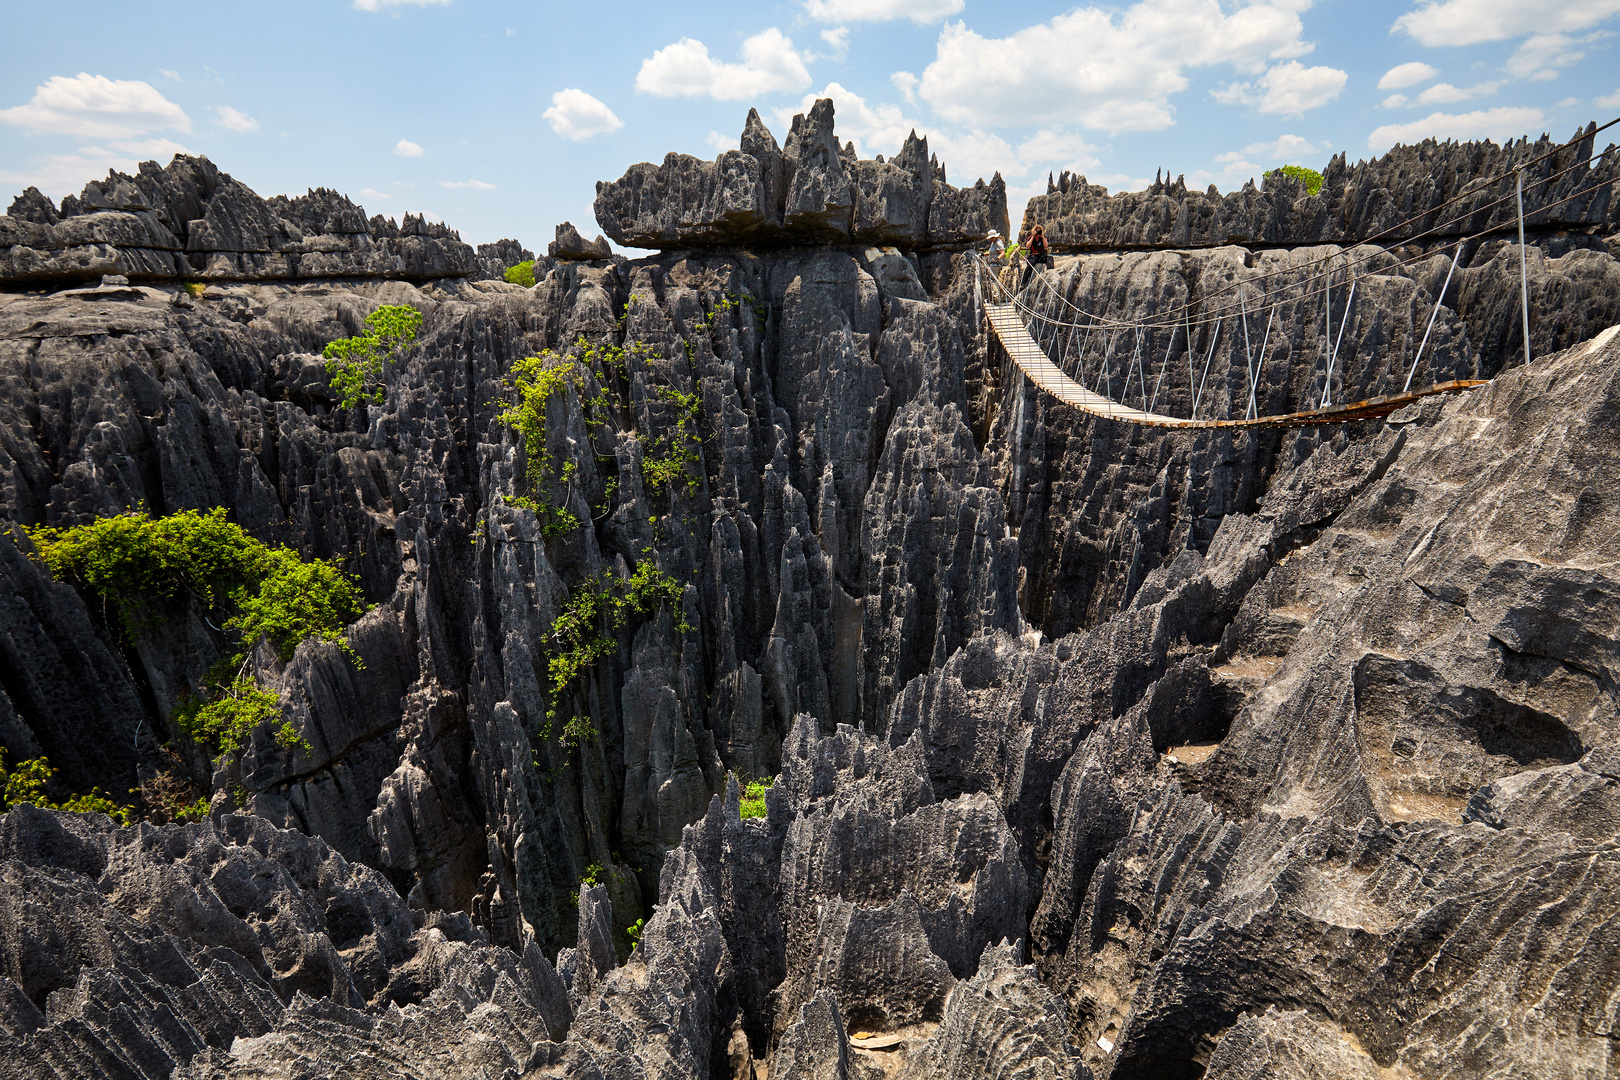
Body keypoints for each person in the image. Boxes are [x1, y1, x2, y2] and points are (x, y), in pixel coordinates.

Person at [1020, 223, 1051, 289]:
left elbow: (1046, 246)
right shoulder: (1031, 238)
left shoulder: (1043, 238)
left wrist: (1042, 236)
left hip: (1041, 255)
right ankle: (1023, 282)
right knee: (1031, 263)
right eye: (1037, 230)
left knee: (1049, 259)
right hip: (1033, 255)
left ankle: (1049, 277)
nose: (1038, 232)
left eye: (1039, 231)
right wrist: (1033, 236)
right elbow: (1027, 246)